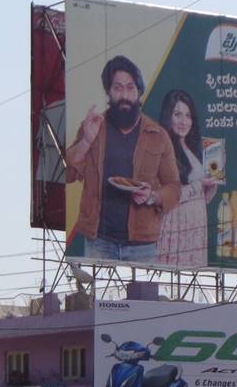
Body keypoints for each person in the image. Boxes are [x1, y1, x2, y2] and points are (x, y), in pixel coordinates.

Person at [65, 55, 181, 264]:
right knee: (96, 297)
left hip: (142, 245)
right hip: (98, 240)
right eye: (118, 88)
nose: (125, 95)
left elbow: (174, 187)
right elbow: (68, 174)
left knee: (143, 297)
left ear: (139, 92)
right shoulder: (93, 127)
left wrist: (152, 196)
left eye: (130, 88)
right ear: (108, 92)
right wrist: (86, 141)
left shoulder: (158, 135)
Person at [155, 89, 219, 267]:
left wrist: (212, 181)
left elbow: (202, 198)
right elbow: (164, 198)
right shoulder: (163, 149)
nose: (184, 122)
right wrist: (199, 184)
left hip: (197, 223)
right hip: (176, 223)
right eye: (177, 115)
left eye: (188, 115)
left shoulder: (195, 150)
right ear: (168, 116)